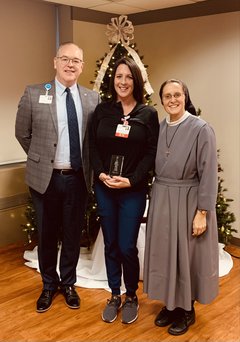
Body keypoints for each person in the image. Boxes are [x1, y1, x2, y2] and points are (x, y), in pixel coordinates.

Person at [15, 42, 100, 313]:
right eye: (65, 59)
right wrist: (42, 159)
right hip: (46, 179)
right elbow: (22, 133)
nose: (70, 64)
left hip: (77, 179)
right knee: (48, 234)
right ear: (55, 62)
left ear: (82, 66)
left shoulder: (91, 98)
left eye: (76, 60)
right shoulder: (35, 93)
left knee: (74, 235)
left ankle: (69, 284)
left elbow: (92, 141)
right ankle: (48, 285)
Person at [143, 79, 219, 335]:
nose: (172, 99)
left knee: (186, 257)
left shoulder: (201, 129)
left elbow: (208, 173)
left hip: (189, 200)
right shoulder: (160, 127)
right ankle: (171, 304)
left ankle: (187, 309)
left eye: (178, 94)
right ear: (162, 100)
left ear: (185, 97)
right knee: (166, 254)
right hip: (163, 197)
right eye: (167, 95)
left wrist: (202, 212)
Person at [89, 57, 159, 324]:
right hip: (105, 187)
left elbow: (151, 153)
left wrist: (131, 179)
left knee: (128, 246)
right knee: (111, 244)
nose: (123, 82)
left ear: (136, 81)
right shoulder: (103, 111)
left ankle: (131, 295)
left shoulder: (148, 114)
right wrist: (101, 173)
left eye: (128, 77)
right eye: (119, 76)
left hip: (132, 190)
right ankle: (115, 294)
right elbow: (92, 146)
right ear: (113, 80)